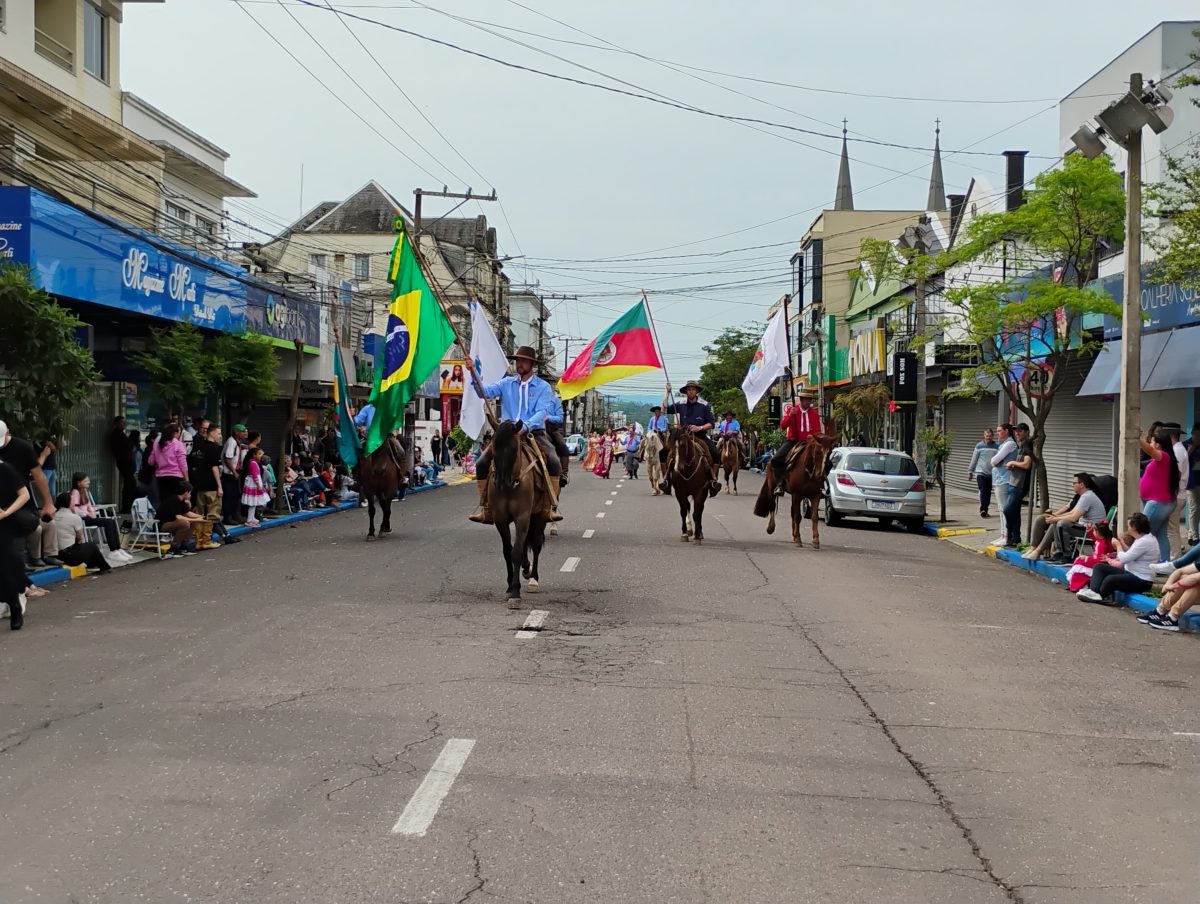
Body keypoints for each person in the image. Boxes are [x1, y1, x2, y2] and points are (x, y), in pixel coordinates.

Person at [465, 345, 563, 524]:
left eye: (523, 361)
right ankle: (486, 509)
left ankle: (549, 507)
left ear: (532, 364)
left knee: (553, 460)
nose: (519, 364)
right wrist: (473, 373)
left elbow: (541, 412)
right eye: (517, 360)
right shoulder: (506, 383)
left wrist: (525, 426)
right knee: (481, 463)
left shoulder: (543, 387)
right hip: (507, 433)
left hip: (534, 432)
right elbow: (483, 393)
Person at [1021, 473, 1107, 563]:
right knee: (1056, 522)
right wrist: (1056, 516)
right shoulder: (1084, 496)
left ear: (1081, 485)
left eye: (1074, 483)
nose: (1072, 485)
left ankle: (1066, 556)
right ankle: (1056, 553)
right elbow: (1071, 512)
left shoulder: (1088, 496)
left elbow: (1073, 517)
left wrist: (1055, 518)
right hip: (1086, 528)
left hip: (1092, 531)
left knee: (1062, 524)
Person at [1077, 513, 1158, 605]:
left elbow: (1124, 559)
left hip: (1141, 579)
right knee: (1099, 567)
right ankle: (1093, 592)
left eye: (1128, 526)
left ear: (1134, 527)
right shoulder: (1143, 539)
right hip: (1131, 572)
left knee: (1110, 579)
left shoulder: (1145, 541)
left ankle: (1100, 595)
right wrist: (1121, 545)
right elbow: (1132, 554)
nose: (1128, 528)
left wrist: (1118, 545)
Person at [662, 380, 721, 497]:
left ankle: (713, 481)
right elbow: (664, 409)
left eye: (693, 389)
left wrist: (699, 427)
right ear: (686, 392)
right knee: (663, 453)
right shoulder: (680, 403)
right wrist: (667, 393)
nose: (691, 391)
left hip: (700, 435)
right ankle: (666, 480)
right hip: (683, 435)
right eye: (689, 389)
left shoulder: (704, 405)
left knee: (715, 453)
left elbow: (711, 423)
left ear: (697, 391)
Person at [769, 390, 821, 498]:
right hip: (793, 441)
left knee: (825, 459)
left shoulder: (814, 413)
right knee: (776, 459)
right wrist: (790, 416)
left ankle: (823, 485)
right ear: (801, 400)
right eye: (806, 400)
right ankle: (780, 483)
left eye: (810, 400)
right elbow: (783, 426)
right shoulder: (792, 410)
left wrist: (813, 436)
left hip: (809, 443)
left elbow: (818, 431)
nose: (808, 402)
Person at [0, 453, 31, 630]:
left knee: (5, 568)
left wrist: (6, 512)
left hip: (4, 525)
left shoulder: (5, 469)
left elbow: (24, 494)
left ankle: (14, 604)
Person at [1139, 428, 1180, 562]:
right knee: (1161, 534)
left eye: (1151, 441)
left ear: (1158, 444)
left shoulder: (1164, 456)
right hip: (1158, 502)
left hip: (1157, 503)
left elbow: (1150, 450)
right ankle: (1163, 562)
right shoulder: (1163, 458)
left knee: (1142, 532)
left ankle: (1142, 562)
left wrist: (1136, 438)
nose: (1150, 444)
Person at [68, 472, 130, 561]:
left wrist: (92, 511)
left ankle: (117, 548)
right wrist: (87, 514)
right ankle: (113, 551)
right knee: (108, 522)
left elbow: (89, 506)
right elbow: (75, 509)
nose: (88, 482)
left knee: (111, 521)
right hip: (82, 519)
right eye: (85, 481)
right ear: (78, 483)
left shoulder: (85, 491)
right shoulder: (75, 492)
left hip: (89, 517)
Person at [52, 493, 111, 574]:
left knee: (84, 548)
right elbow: (80, 539)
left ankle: (92, 564)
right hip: (69, 557)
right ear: (69, 503)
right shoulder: (74, 518)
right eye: (73, 502)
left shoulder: (53, 516)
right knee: (91, 546)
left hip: (55, 556)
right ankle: (105, 567)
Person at [1001, 423, 1034, 546]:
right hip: (1013, 482)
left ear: (1026, 432)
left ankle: (1011, 535)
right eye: (1016, 432)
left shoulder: (1027, 445)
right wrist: (1013, 465)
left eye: (1020, 431)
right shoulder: (1021, 445)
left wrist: (1012, 462)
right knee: (1014, 511)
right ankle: (1015, 539)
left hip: (1019, 485)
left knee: (1007, 510)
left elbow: (1027, 465)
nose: (1017, 433)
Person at [157, 481, 204, 558]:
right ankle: (173, 548)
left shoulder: (181, 501)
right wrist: (197, 519)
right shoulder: (174, 500)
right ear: (186, 492)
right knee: (184, 523)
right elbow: (179, 517)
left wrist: (201, 517)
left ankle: (184, 545)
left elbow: (188, 513)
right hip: (163, 525)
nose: (190, 495)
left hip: (172, 523)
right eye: (190, 493)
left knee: (193, 522)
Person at [989, 423, 1018, 547]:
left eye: (1000, 431)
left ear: (1007, 431)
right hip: (999, 479)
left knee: (1004, 509)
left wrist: (997, 462)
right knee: (1001, 508)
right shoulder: (1003, 445)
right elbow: (995, 461)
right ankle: (1002, 534)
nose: (997, 433)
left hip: (1004, 479)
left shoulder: (1010, 444)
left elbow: (994, 460)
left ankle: (1007, 536)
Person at [148, 423, 189, 505]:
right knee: (176, 501)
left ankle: (165, 517)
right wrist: (186, 479)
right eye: (179, 433)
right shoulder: (178, 444)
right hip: (176, 477)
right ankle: (175, 517)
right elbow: (183, 464)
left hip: (161, 477)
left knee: (164, 500)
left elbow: (150, 461)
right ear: (175, 433)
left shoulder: (157, 444)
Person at [1165, 423, 1189, 559]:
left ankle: (1174, 557)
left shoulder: (1177, 450)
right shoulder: (1178, 449)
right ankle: (1174, 556)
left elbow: (1177, 473)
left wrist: (1171, 492)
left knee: (1172, 529)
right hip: (1179, 493)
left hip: (1176, 494)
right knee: (1172, 529)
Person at [108, 416, 138, 513]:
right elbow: (126, 446)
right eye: (121, 422)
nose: (123, 424)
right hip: (124, 462)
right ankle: (126, 507)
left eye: (124, 422)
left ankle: (127, 507)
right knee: (130, 484)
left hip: (127, 463)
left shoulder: (121, 434)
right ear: (116, 423)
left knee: (130, 484)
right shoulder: (116, 434)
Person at [967, 428, 998, 518]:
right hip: (981, 472)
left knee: (988, 492)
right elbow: (974, 459)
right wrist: (970, 471)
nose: (988, 437)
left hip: (991, 473)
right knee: (983, 490)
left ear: (993, 436)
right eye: (986, 436)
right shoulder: (979, 446)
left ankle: (985, 509)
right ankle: (983, 509)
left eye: (990, 436)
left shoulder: (997, 446)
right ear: (984, 436)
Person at [221, 424, 248, 525]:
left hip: (234, 472)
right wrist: (234, 472)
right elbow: (227, 459)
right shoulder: (231, 442)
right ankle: (227, 517)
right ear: (236, 432)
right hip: (229, 473)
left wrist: (242, 446)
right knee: (229, 495)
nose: (244, 433)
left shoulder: (237, 442)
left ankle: (234, 515)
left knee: (235, 495)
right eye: (242, 431)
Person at [241, 447, 270, 527]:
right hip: (253, 483)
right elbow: (255, 475)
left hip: (254, 482)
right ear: (254, 455)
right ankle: (249, 520)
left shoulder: (253, 462)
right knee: (252, 503)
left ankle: (252, 518)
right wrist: (258, 485)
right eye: (259, 454)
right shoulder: (253, 463)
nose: (261, 456)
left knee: (254, 503)